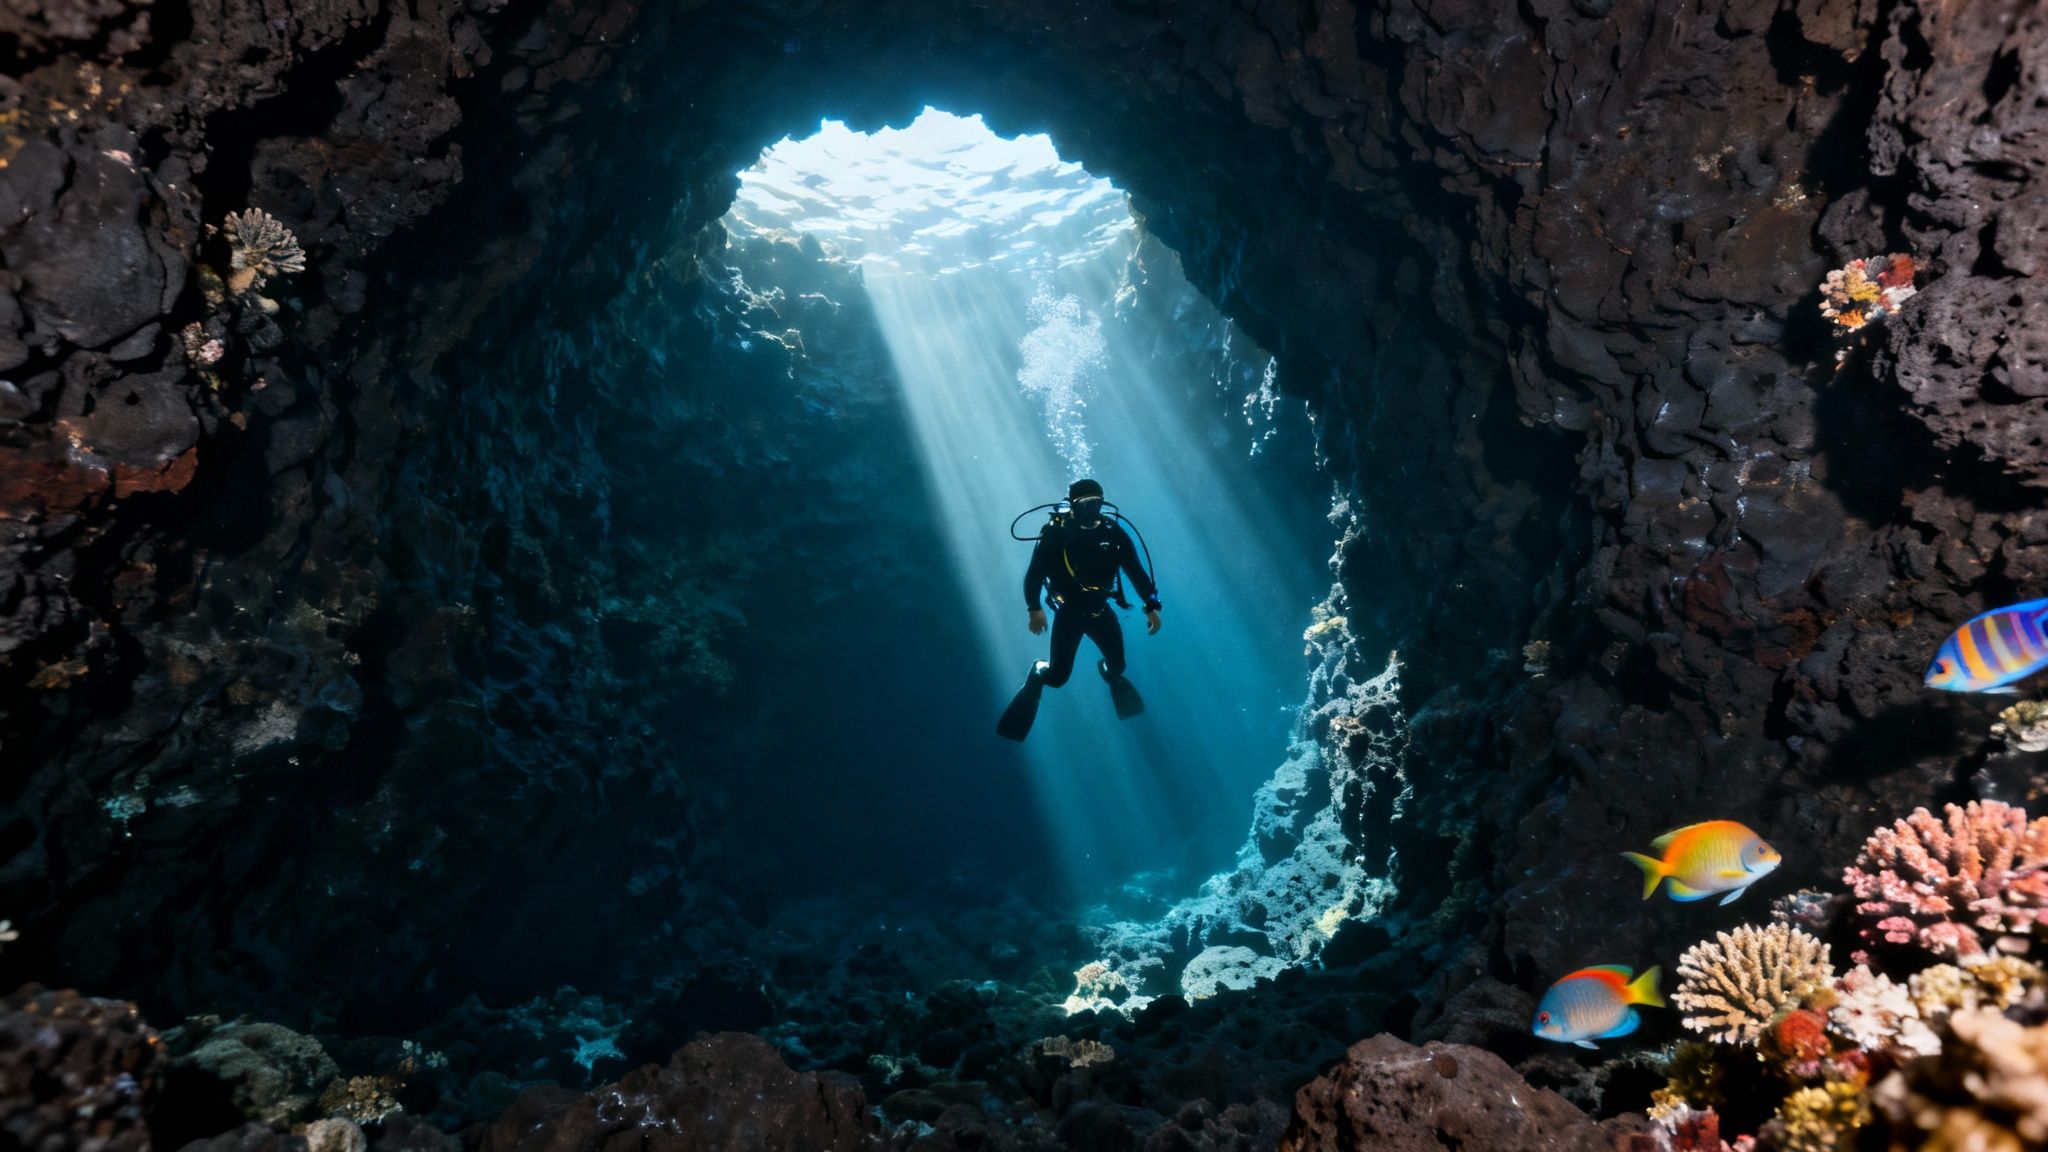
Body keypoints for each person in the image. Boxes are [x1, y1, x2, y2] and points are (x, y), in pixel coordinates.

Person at [995, 479, 1160, 742]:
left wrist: (1151, 606)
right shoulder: (1056, 534)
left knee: (1118, 667)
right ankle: (1038, 672)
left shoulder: (1114, 533)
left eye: (1097, 503)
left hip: (1100, 611)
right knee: (1058, 678)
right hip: (1069, 614)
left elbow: (1136, 571)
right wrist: (1034, 608)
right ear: (1073, 506)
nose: (1092, 509)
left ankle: (1109, 674)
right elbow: (1034, 575)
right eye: (1085, 504)